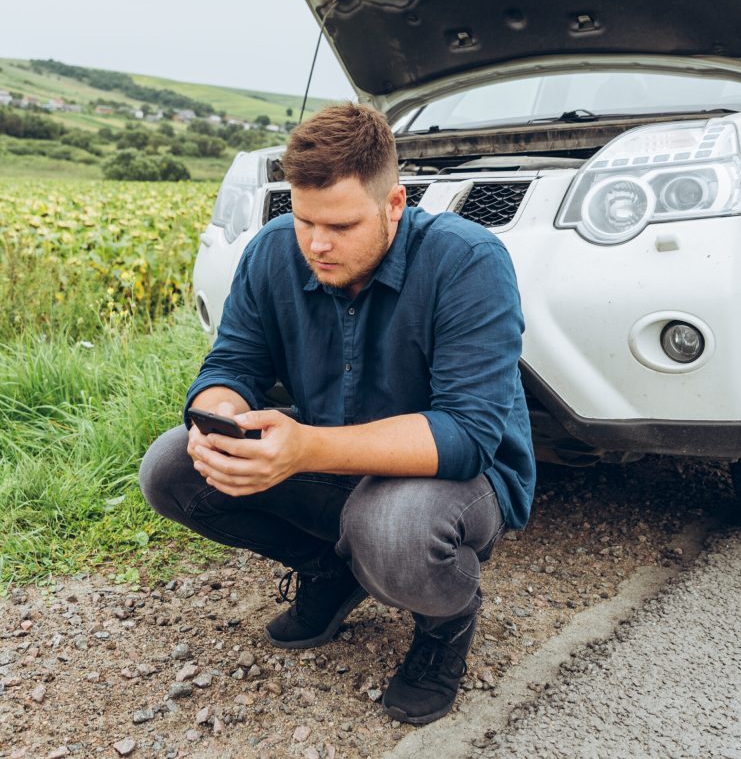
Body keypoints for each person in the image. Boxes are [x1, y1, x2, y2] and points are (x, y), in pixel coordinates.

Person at [139, 103, 536, 726]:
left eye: (343, 226)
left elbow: (466, 436)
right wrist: (216, 416)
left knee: (392, 525)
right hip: (331, 459)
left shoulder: (468, 262)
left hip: (456, 483)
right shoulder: (274, 252)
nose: (318, 245)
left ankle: (444, 622)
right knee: (170, 467)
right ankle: (329, 570)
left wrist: (304, 449)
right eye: (304, 221)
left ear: (395, 204)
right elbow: (233, 364)